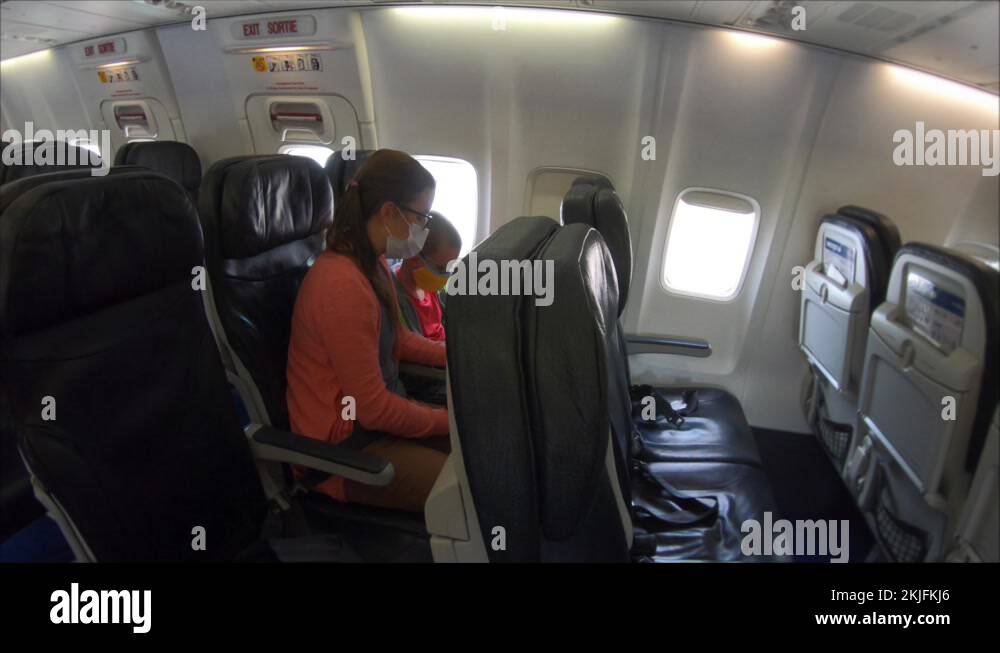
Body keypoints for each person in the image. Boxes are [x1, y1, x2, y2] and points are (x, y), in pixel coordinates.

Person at [286, 149, 449, 513]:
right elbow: (373, 409)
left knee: (483, 451)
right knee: (468, 492)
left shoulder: (371, 263)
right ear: (388, 212)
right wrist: (447, 420)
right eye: (421, 216)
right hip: (343, 452)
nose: (424, 228)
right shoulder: (340, 285)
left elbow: (401, 340)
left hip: (374, 428)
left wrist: (457, 353)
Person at [394, 211, 462, 343]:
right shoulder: (396, 297)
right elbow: (410, 347)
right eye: (441, 268)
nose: (446, 276)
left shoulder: (430, 289)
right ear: (414, 257)